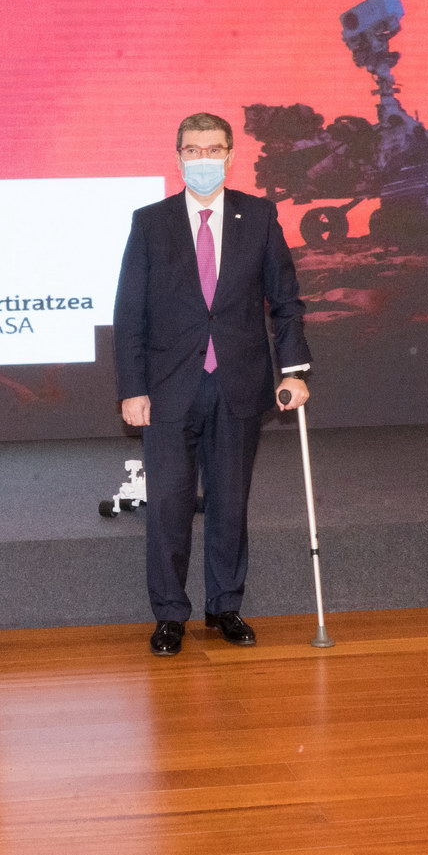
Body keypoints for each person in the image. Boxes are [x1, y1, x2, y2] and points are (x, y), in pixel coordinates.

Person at [114, 112, 311, 656]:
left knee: (229, 503)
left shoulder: (260, 216)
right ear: (178, 157)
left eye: (214, 149)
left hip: (238, 384)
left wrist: (294, 370)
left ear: (230, 155)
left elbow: (286, 302)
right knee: (169, 507)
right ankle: (170, 614)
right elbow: (130, 313)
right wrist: (132, 388)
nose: (204, 159)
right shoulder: (150, 222)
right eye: (193, 150)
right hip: (168, 389)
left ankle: (225, 606)